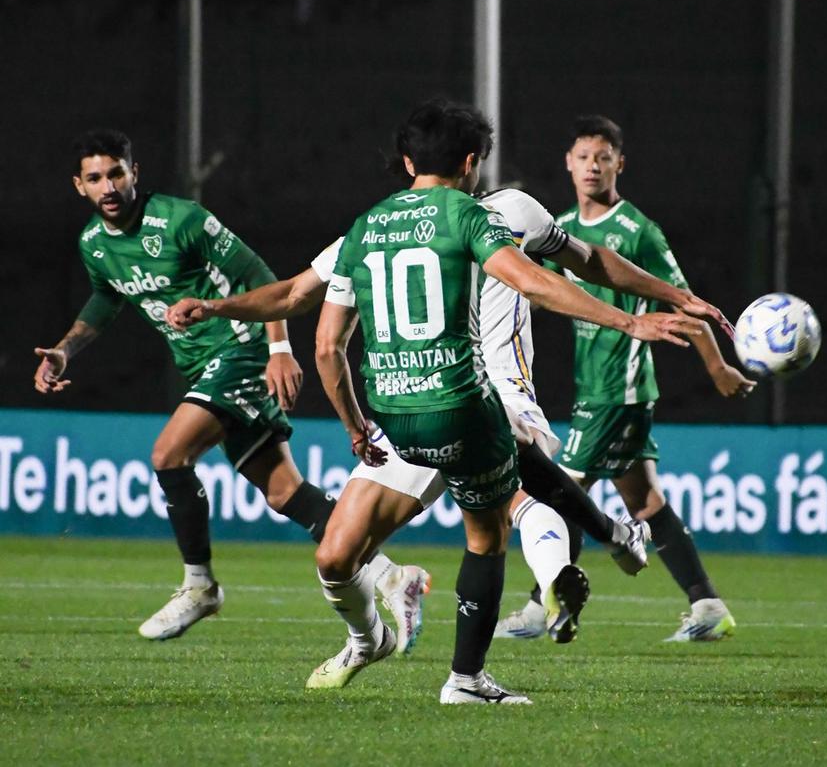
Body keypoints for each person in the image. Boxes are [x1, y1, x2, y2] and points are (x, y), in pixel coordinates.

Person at [166, 175, 730, 679]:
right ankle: (370, 638)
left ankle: (539, 600)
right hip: (417, 399)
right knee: (336, 555)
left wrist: (669, 298)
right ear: (468, 160)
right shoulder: (377, 229)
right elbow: (292, 296)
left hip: (492, 395)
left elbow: (585, 263)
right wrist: (217, 308)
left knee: (505, 506)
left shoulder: (508, 211)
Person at [307, 99, 703, 703]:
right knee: (488, 528)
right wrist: (631, 324)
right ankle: (465, 675)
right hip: (460, 404)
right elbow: (535, 278)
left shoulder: (363, 226)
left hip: (391, 416)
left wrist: (355, 425)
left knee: (336, 557)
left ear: (409, 160)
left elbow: (329, 348)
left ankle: (607, 538)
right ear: (471, 162)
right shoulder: (471, 214)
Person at [34, 129, 423, 646]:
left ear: (135, 173)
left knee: (169, 454)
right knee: (287, 494)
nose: (108, 185)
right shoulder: (94, 245)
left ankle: (199, 585)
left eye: (116, 173)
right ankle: (394, 577)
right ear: (79, 186)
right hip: (204, 368)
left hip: (240, 351)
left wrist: (280, 349)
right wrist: (65, 349)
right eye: (95, 178)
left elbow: (258, 274)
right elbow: (105, 300)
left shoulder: (181, 220)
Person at [496, 115, 755, 643]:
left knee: (560, 491)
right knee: (645, 502)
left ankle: (537, 603)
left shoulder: (639, 232)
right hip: (593, 384)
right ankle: (707, 604)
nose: (593, 166)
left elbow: (680, 302)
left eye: (603, 157)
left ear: (619, 164)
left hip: (621, 387)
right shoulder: (560, 225)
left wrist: (717, 365)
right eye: (584, 156)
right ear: (568, 163)